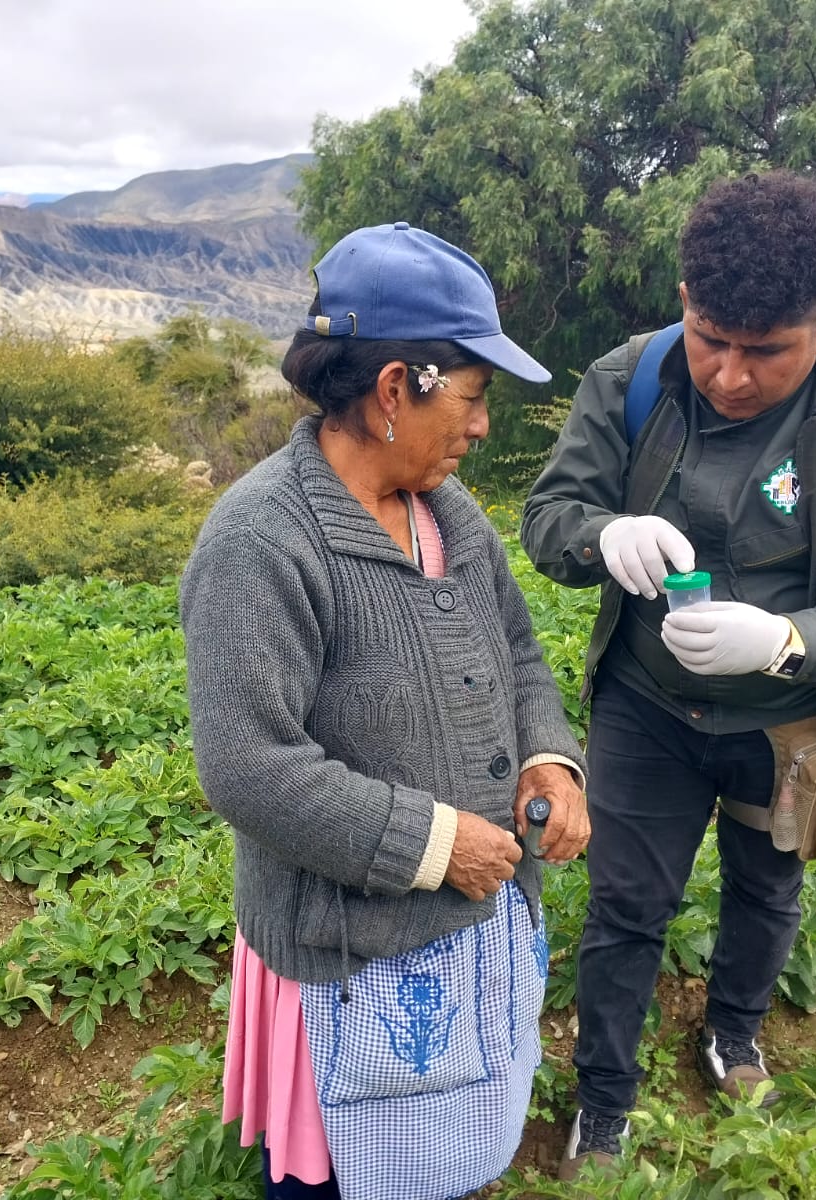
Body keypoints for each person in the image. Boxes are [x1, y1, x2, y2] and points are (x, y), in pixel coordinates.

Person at [520, 172, 816, 1178]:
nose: (728, 375)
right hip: (648, 705)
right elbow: (548, 518)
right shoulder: (631, 379)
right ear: (685, 301)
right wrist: (602, 534)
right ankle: (604, 1100)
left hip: (789, 718)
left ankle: (733, 1032)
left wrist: (788, 640)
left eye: (764, 351)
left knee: (767, 888)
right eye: (710, 338)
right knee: (627, 906)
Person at [180, 222, 591, 1200]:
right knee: (339, 1176)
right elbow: (247, 764)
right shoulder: (262, 542)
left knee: (450, 1156)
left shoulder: (448, 513)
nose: (481, 426)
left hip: (471, 927)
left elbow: (517, 652)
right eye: (473, 396)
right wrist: (434, 843)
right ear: (397, 387)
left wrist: (548, 758)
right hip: (347, 955)